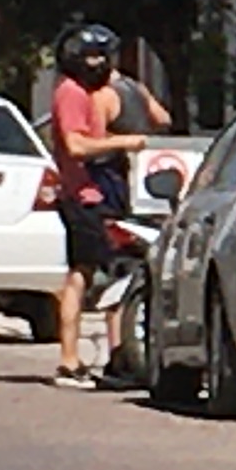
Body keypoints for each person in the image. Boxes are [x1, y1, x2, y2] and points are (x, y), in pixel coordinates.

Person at [45, 25, 156, 386]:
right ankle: (70, 359)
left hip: (101, 194)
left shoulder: (90, 91)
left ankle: (116, 356)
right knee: (88, 275)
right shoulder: (72, 93)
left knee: (112, 273)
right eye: (96, 57)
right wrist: (125, 142)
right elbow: (76, 146)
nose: (103, 65)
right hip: (85, 197)